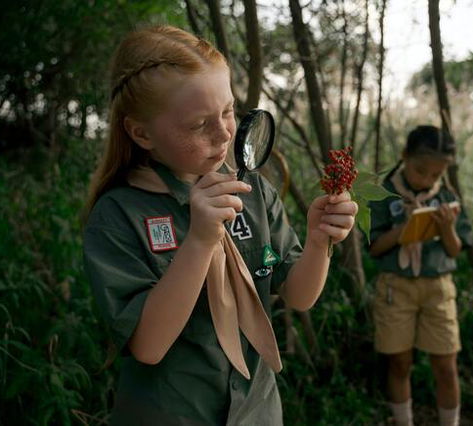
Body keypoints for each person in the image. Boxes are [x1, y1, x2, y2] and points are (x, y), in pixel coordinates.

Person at [82, 25, 358, 426]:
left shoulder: (252, 192)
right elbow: (149, 346)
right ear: (141, 133)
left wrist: (318, 243)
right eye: (199, 125)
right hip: (172, 413)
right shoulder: (118, 216)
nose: (225, 132)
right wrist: (198, 241)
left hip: (257, 412)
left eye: (229, 111)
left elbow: (298, 295)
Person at [368, 125, 473, 426]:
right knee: (399, 362)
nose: (427, 180)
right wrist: (404, 231)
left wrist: (446, 228)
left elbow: (454, 251)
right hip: (395, 288)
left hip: (438, 288)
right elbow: (374, 248)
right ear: (404, 157)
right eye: (420, 171)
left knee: (446, 365)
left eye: (435, 175)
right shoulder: (383, 194)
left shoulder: (447, 198)